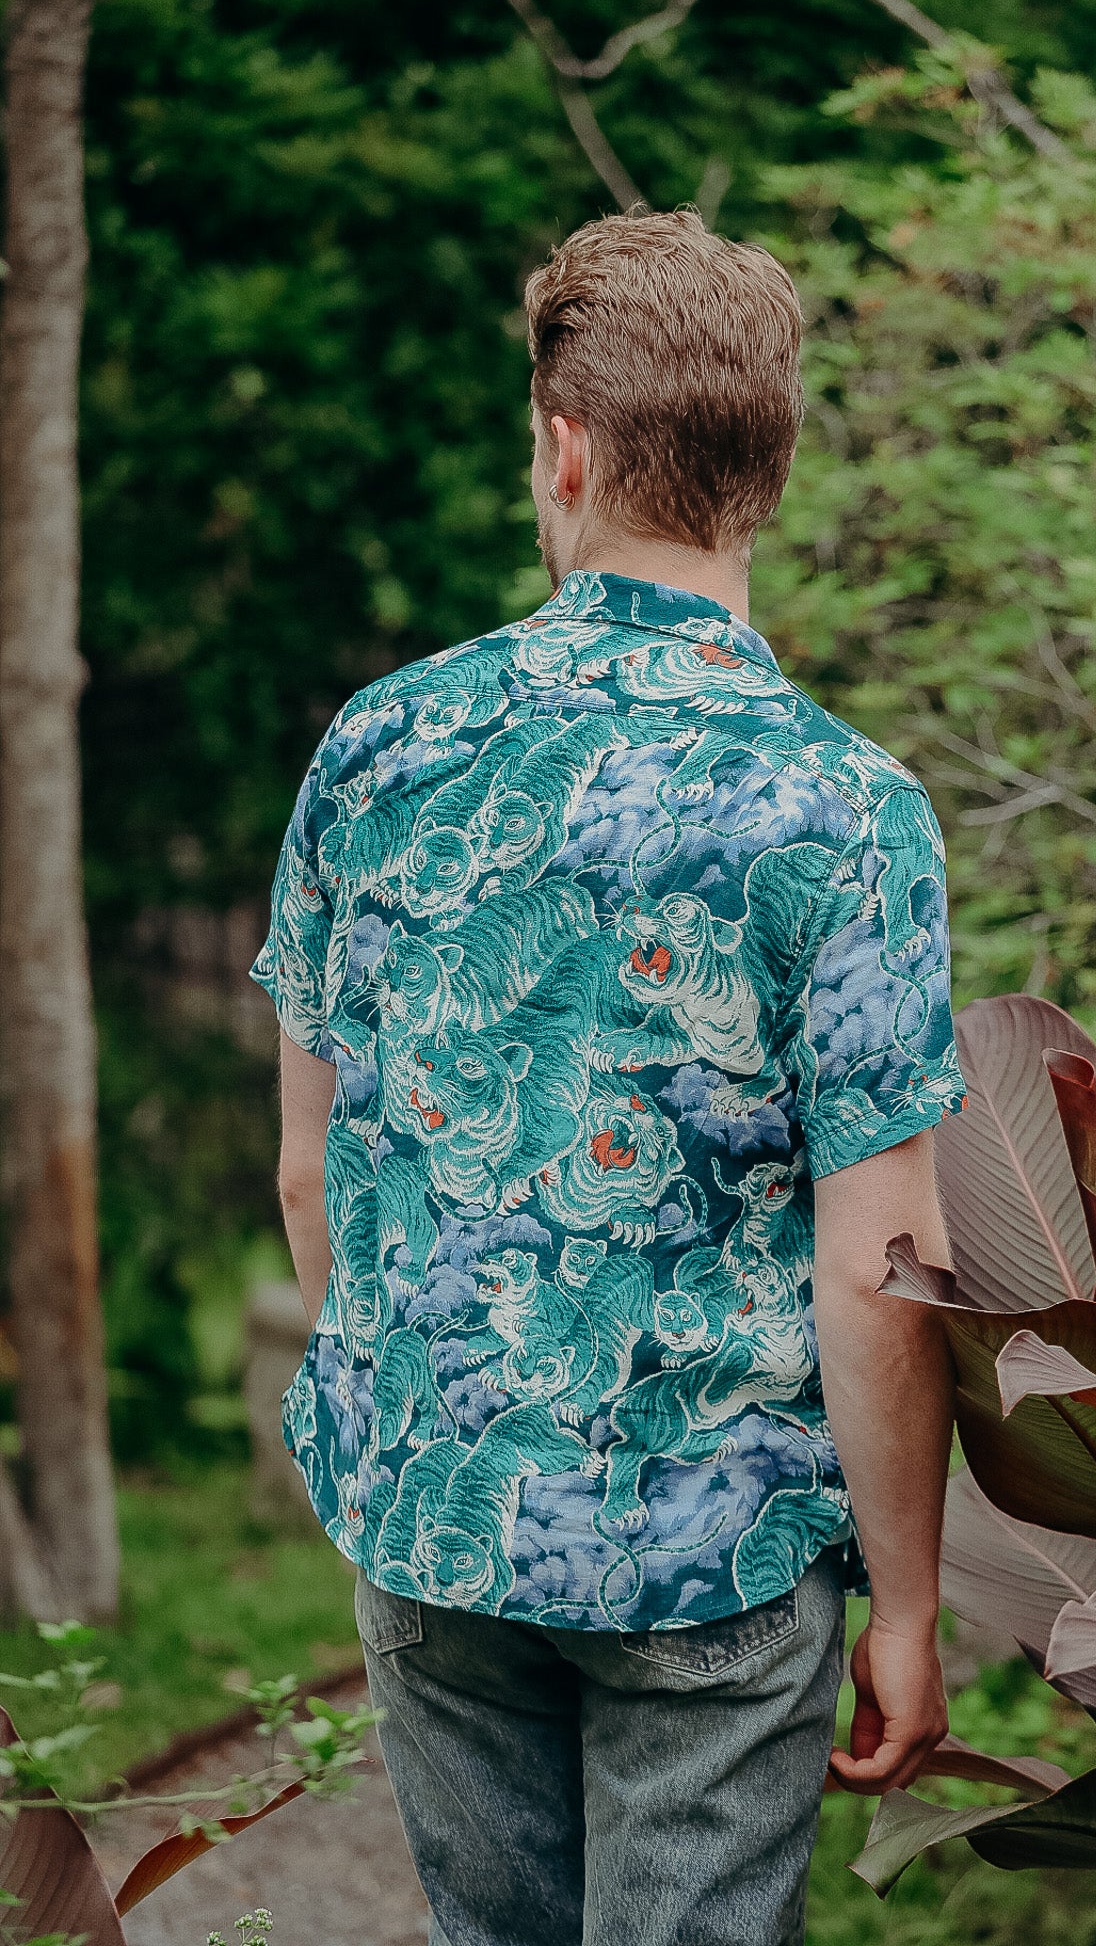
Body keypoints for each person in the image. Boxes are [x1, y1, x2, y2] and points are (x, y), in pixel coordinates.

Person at [250, 209, 967, 1946]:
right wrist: (910, 1605)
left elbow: (305, 1166)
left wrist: (414, 1428)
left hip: (433, 1521)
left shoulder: (384, 741)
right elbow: (882, 1266)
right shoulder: (845, 808)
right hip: (708, 1552)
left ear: (565, 449)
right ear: (766, 469)